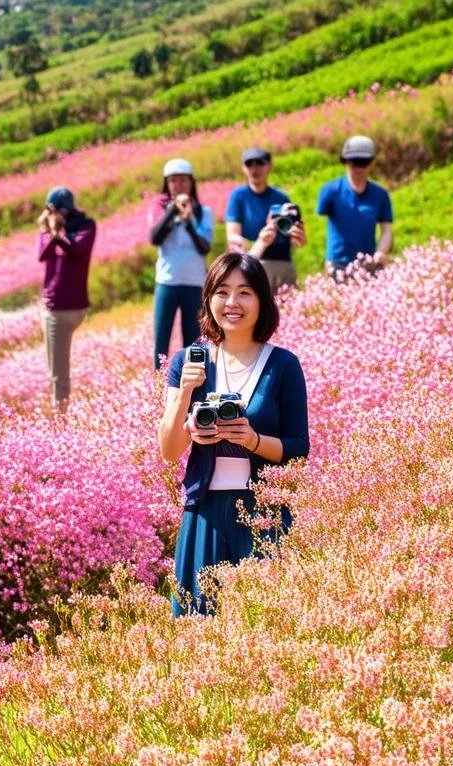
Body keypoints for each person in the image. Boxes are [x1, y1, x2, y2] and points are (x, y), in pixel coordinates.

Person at [158, 252, 310, 616]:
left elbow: (299, 450)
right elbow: (168, 449)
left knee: (265, 623)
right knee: (198, 625)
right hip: (203, 512)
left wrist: (252, 440)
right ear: (209, 298)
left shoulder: (283, 365)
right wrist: (184, 400)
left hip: (263, 515)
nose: (232, 303)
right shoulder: (188, 361)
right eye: (222, 292)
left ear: (261, 300)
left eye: (245, 292)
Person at [149, 158, 215, 369]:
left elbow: (205, 246)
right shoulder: (160, 210)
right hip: (167, 282)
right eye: (173, 181)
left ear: (191, 183)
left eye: (183, 180)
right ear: (167, 184)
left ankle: (193, 388)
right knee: (161, 342)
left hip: (194, 283)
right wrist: (171, 212)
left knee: (194, 342)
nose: (178, 185)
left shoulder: (204, 213)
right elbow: (154, 238)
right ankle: (159, 386)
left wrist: (188, 223)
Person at [37, 186, 96, 413]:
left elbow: (76, 248)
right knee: (56, 368)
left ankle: (60, 423)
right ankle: (60, 415)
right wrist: (50, 231)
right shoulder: (48, 229)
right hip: (53, 306)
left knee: (57, 372)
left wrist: (57, 232)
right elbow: (42, 255)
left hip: (66, 309)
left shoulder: (86, 226)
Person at [225, 146, 306, 293]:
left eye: (260, 163)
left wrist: (299, 236)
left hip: (284, 263)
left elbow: (295, 238)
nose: (255, 169)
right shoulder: (239, 196)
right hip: (254, 261)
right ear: (243, 168)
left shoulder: (281, 197)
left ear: (269, 166)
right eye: (249, 164)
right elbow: (232, 235)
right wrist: (259, 241)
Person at [315, 135, 393, 278]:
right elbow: (316, 224)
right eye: (354, 162)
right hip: (338, 263)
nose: (359, 168)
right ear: (345, 161)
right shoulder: (330, 191)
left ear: (372, 163)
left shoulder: (380, 194)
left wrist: (381, 252)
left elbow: (386, 229)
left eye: (364, 162)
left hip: (369, 262)